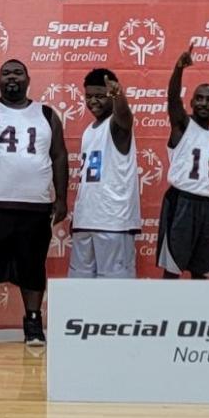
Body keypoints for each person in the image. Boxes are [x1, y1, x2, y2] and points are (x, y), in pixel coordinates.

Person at [0, 59, 69, 347]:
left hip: (34, 206)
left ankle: (32, 324)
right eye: (6, 74)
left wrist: (61, 197)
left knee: (33, 266)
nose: (12, 78)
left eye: (17, 73)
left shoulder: (45, 113)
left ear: (28, 79)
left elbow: (58, 155)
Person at [157, 45, 209, 279]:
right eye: (200, 99)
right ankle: (167, 313)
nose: (204, 103)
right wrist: (178, 69)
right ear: (192, 103)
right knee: (173, 269)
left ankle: (199, 314)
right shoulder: (183, 125)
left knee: (203, 271)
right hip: (182, 203)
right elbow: (173, 98)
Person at [68, 68, 140, 279]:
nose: (93, 101)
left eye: (100, 96)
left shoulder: (117, 126)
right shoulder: (89, 130)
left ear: (111, 95)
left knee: (115, 294)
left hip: (113, 223)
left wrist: (119, 96)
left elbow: (125, 118)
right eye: (89, 96)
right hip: (85, 221)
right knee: (80, 289)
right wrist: (79, 213)